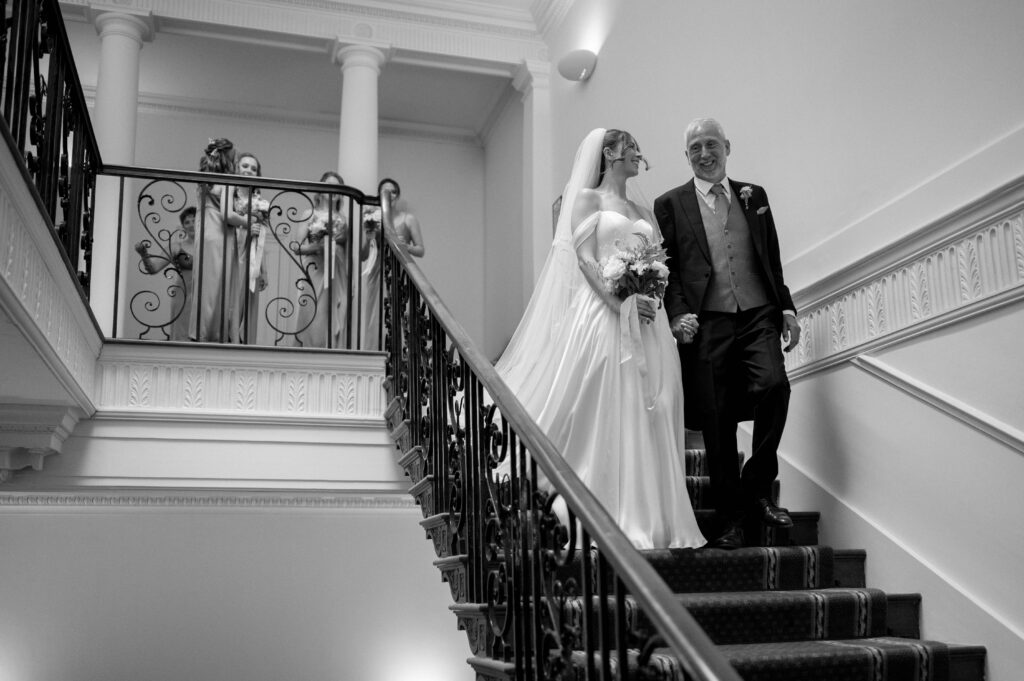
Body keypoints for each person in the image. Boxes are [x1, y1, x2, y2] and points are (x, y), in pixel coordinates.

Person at [495, 128, 705, 550]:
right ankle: (606, 509)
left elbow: (660, 263)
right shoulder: (588, 200)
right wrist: (619, 302)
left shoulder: (643, 208)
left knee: (654, 405)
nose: (638, 157)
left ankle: (655, 516)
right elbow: (587, 259)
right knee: (614, 399)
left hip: (650, 319)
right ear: (609, 154)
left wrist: (654, 300)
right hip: (604, 315)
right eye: (631, 150)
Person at [653, 118, 800, 550]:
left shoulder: (754, 196)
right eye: (695, 147)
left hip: (758, 312)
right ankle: (731, 518)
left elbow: (770, 258)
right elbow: (671, 269)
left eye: (711, 144)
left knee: (775, 386)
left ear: (727, 147)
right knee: (717, 422)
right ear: (686, 156)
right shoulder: (671, 204)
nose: (704, 153)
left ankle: (757, 485)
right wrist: (677, 314)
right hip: (707, 321)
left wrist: (786, 307)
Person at [191, 137, 251, 342]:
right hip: (219, 234)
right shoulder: (227, 180)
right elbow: (227, 214)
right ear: (229, 160)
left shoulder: (205, 180)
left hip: (204, 232)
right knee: (219, 284)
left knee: (205, 284)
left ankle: (200, 331)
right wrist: (248, 220)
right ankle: (214, 334)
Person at [295, 171, 350, 348]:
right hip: (316, 269)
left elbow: (348, 251)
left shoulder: (344, 220)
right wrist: (318, 247)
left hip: (338, 272)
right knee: (314, 311)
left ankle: (331, 351)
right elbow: (296, 247)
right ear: (321, 189)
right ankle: (311, 351)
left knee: (334, 313)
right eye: (329, 185)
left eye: (338, 187)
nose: (333, 190)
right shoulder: (309, 213)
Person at [134, 206, 196, 341]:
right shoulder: (176, 246)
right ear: (182, 227)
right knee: (182, 337)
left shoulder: (211, 245)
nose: (191, 225)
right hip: (183, 297)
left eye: (194, 220)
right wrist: (144, 254)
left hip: (206, 297)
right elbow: (153, 268)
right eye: (187, 222)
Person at [232, 151, 269, 343]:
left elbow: (262, 239)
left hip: (252, 256)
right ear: (237, 168)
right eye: (245, 166)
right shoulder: (229, 197)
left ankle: (244, 344)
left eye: (254, 169)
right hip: (233, 252)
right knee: (232, 300)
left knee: (248, 302)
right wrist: (244, 225)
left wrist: (263, 270)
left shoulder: (261, 203)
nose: (249, 171)